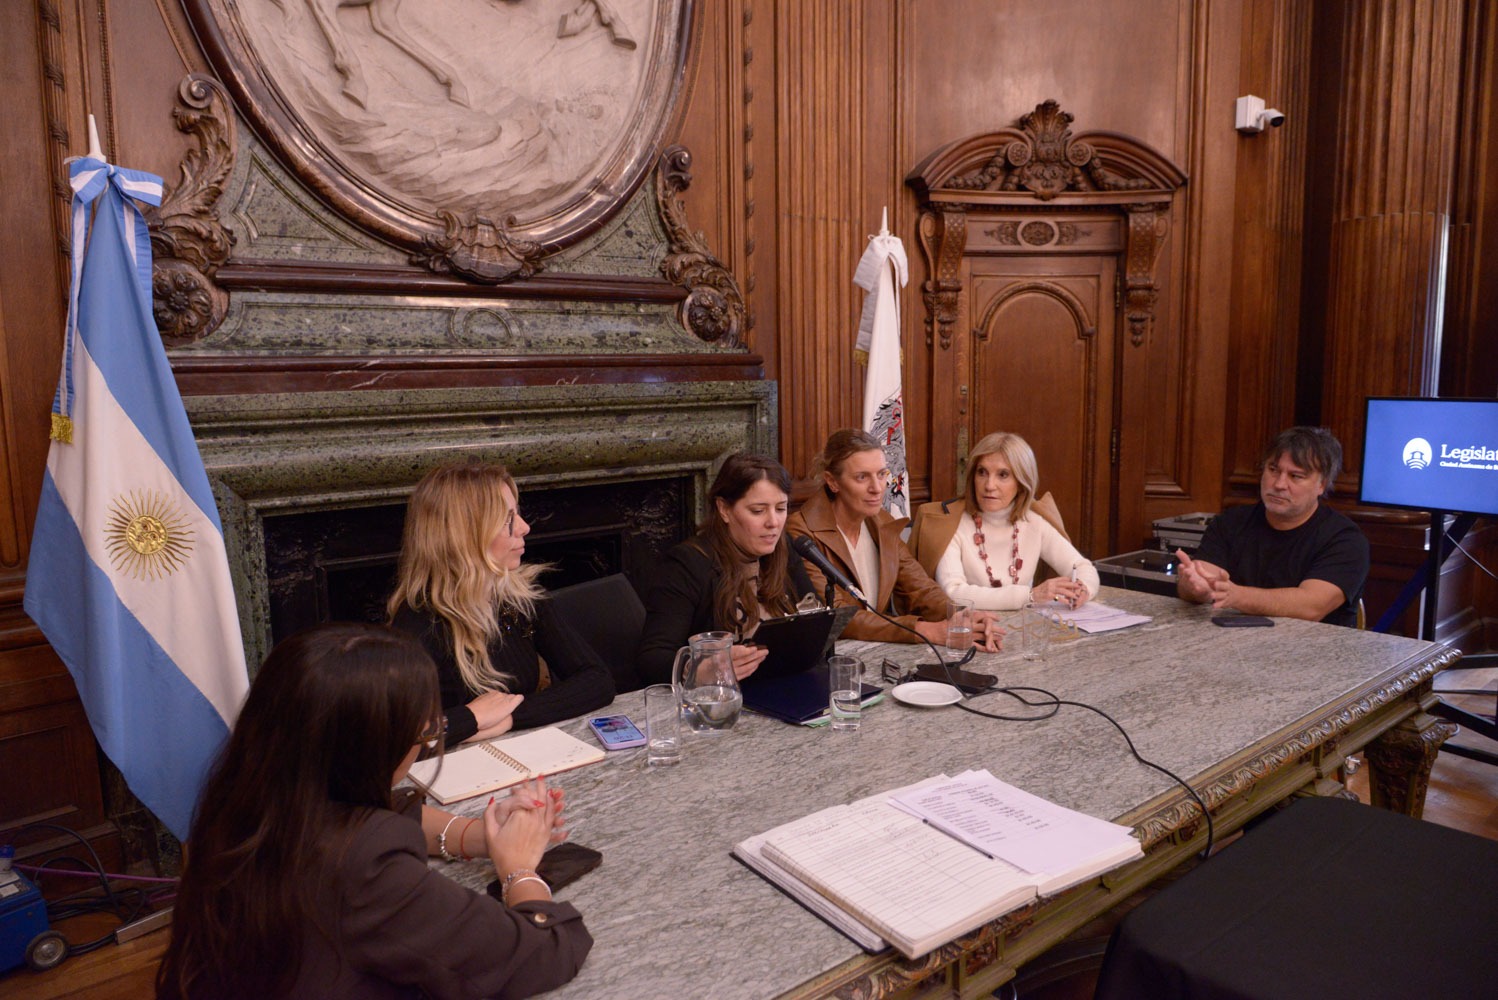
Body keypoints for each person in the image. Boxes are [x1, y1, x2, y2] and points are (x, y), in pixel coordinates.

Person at [156, 623, 591, 1000]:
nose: (425, 741)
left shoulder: (247, 802)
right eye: (425, 729)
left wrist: (475, 835)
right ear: (367, 749)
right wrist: (518, 869)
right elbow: (544, 951)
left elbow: (381, 815)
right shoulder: (368, 871)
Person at [388, 462, 614, 745]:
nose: (524, 527)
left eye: (517, 513)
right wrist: (472, 718)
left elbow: (598, 681)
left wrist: (509, 718)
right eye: (507, 520)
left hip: (519, 753)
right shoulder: (418, 620)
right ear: (464, 534)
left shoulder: (520, 594)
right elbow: (397, 736)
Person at [786, 429, 1002, 648]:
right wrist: (927, 630)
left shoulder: (880, 520)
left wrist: (962, 616)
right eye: (862, 477)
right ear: (833, 482)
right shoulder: (801, 531)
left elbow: (919, 588)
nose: (877, 488)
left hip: (874, 649)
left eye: (881, 474)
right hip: (830, 656)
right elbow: (840, 616)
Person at [636, 453, 816, 685]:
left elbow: (814, 620)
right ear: (724, 509)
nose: (773, 522)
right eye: (758, 511)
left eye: (780, 508)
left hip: (783, 682)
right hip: (721, 699)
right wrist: (700, 669)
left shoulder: (784, 547)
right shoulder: (687, 564)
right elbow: (651, 659)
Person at [1177, 426, 1369, 627]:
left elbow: (1311, 607)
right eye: (1273, 470)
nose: (1279, 484)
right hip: (1235, 645)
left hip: (1314, 651)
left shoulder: (1346, 540)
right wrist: (1194, 588)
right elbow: (1203, 579)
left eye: (1296, 476)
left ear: (1322, 485)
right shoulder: (1230, 522)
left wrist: (1235, 595)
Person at [923, 431, 1100, 611]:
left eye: (1003, 475)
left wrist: (1083, 588)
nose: (989, 485)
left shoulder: (1034, 521)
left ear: (1022, 482)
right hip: (969, 628)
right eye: (982, 472)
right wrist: (1030, 596)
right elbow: (953, 592)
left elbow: (1081, 566)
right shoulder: (951, 523)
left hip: (1021, 628)